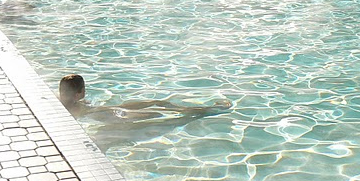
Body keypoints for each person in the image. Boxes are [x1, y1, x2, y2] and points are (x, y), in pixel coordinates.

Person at [59, 74, 232, 121]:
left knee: (158, 104)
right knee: (159, 112)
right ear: (78, 93)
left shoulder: (62, 101)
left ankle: (207, 110)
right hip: (114, 114)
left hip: (112, 111)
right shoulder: (76, 107)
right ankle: (211, 110)